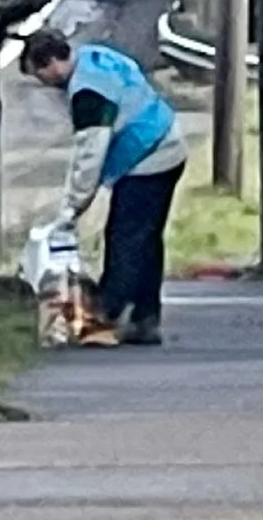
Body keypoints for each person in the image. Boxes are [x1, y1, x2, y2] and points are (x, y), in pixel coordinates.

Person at [21, 27, 188, 345]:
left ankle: (105, 314)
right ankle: (145, 317)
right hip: (168, 140)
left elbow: (90, 153)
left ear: (51, 63)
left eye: (40, 75)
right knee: (146, 238)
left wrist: (72, 208)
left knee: (125, 236)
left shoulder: (87, 93)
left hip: (146, 155)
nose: (45, 84)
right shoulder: (96, 58)